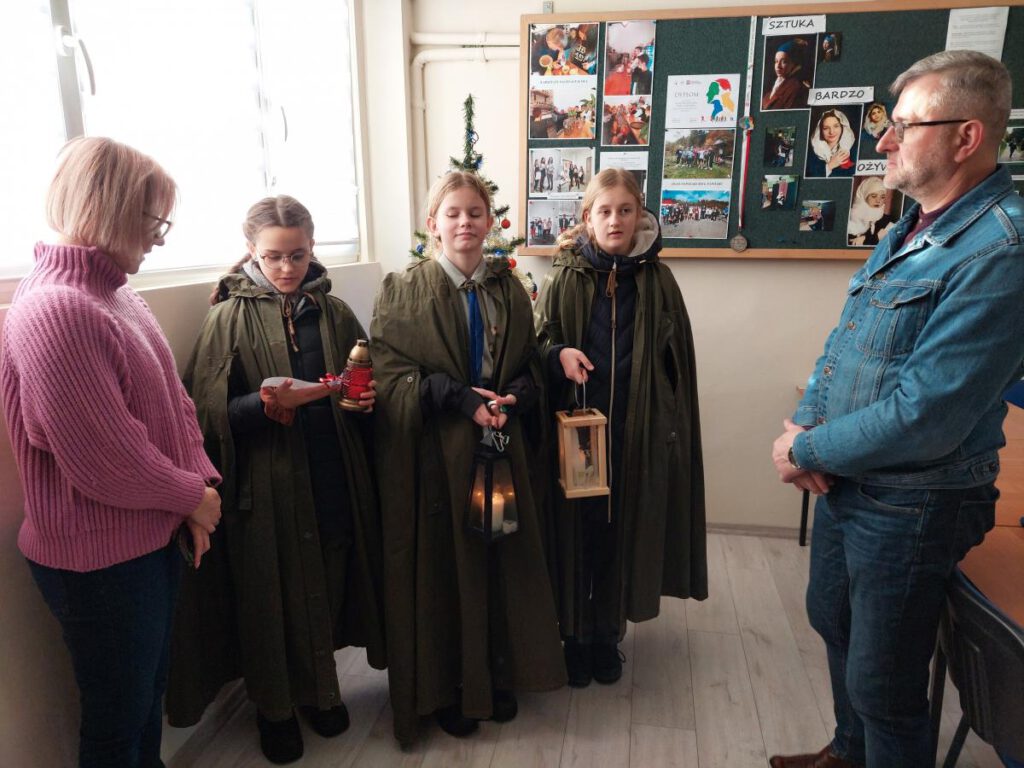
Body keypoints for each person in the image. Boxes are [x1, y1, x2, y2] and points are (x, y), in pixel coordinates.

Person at [770, 51, 1024, 768]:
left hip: (914, 502)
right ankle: (850, 752)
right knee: (832, 619)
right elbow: (842, 344)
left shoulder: (1002, 249)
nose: (882, 141)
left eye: (904, 126)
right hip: (850, 480)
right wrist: (807, 423)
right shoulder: (909, 228)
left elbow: (925, 415)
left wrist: (803, 450)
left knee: (883, 685)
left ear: (966, 137)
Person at [0, 136, 222, 767]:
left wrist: (199, 492)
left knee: (145, 700)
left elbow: (173, 406)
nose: (158, 239)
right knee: (117, 724)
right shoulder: (59, 310)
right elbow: (104, 460)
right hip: (99, 563)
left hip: (145, 540)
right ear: (110, 208)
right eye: (153, 221)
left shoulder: (117, 294)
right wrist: (191, 497)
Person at [167, 195, 386, 764]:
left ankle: (320, 693)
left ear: (312, 249)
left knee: (326, 583)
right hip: (264, 483)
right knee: (270, 595)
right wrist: (262, 406)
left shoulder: (334, 313)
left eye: (297, 255)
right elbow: (203, 412)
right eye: (273, 256)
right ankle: (275, 709)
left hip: (330, 473)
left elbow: (363, 381)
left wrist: (365, 402)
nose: (286, 267)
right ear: (251, 252)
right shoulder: (226, 318)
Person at [370, 171, 566, 746]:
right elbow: (387, 373)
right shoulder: (402, 290)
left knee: (500, 559)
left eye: (475, 213)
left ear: (490, 221)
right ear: (433, 224)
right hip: (438, 459)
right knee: (447, 570)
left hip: (499, 450)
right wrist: (453, 396)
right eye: (452, 213)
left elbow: (528, 360)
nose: (464, 223)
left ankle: (497, 674)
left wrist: (519, 393)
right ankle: (451, 687)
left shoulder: (509, 288)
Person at [534, 168, 707, 688]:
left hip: (636, 435)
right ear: (587, 218)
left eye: (625, 210)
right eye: (604, 211)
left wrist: (669, 429)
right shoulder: (564, 279)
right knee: (578, 535)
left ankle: (606, 636)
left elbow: (677, 367)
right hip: (577, 438)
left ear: (639, 216)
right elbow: (537, 345)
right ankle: (572, 637)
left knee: (619, 534)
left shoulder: (658, 281)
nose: (615, 220)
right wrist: (558, 355)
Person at [847, 176, 897, 247]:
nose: (878, 200)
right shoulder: (850, 215)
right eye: (874, 196)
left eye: (882, 197)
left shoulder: (885, 219)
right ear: (865, 195)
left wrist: (866, 239)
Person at [806, 108, 857, 178]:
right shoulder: (812, 152)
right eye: (826, 128)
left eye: (836, 126)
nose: (831, 132)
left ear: (842, 128)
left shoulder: (853, 150)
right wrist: (830, 165)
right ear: (820, 130)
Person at [762, 38, 811, 110]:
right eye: (776, 61)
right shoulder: (775, 87)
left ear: (794, 63)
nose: (778, 66)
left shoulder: (797, 88)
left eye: (784, 62)